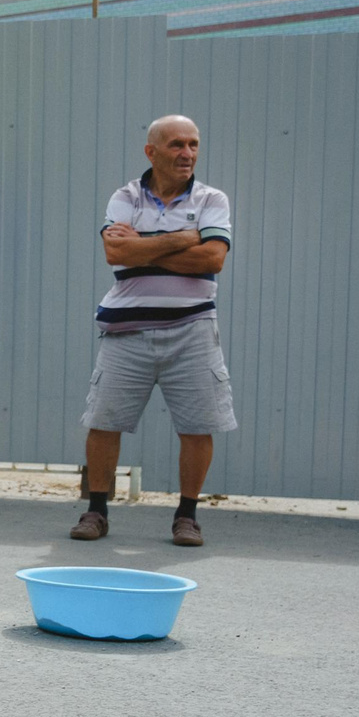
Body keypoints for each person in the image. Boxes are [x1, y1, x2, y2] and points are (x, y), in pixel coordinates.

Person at [72, 114, 235, 546]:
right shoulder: (125, 196)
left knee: (198, 425)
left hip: (193, 328)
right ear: (152, 151)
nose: (187, 154)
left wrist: (141, 249)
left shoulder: (212, 198)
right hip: (127, 331)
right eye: (177, 145)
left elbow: (213, 259)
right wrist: (184, 237)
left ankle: (187, 516)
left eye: (194, 145)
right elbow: (115, 252)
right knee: (104, 421)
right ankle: (96, 511)